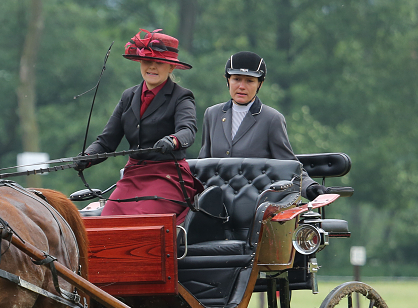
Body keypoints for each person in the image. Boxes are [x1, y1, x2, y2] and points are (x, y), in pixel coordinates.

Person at [77, 29, 203, 223]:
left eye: (159, 63)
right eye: (147, 61)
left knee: (139, 222)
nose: (152, 67)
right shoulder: (128, 96)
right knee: (107, 221)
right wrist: (87, 157)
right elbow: (106, 142)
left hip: (168, 177)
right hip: (132, 176)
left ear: (171, 67)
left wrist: (173, 140)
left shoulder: (181, 96)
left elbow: (188, 131)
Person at [198, 51, 327, 199]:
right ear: (227, 80)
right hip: (216, 202)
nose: (241, 86)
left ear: (260, 83)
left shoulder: (272, 119)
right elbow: (203, 163)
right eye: (236, 79)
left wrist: (310, 186)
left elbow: (288, 163)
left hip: (254, 202)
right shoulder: (212, 114)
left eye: (250, 81)